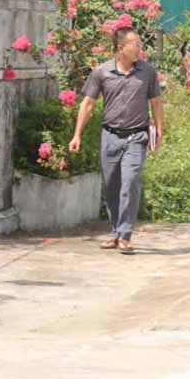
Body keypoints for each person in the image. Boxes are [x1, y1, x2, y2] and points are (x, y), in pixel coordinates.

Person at [70, 27, 164, 254]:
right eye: (136, 45)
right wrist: (77, 135)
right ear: (121, 47)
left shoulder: (147, 72)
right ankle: (116, 231)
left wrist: (159, 131)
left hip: (136, 136)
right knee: (111, 186)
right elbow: (88, 104)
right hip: (110, 137)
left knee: (130, 183)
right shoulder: (102, 72)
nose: (140, 49)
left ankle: (125, 235)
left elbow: (156, 103)